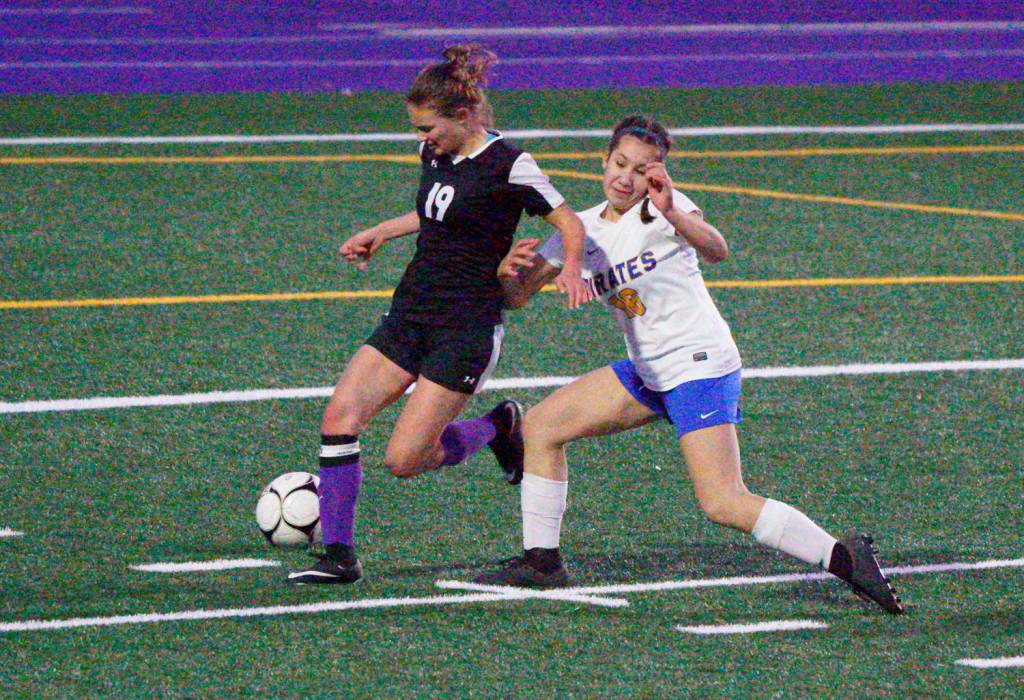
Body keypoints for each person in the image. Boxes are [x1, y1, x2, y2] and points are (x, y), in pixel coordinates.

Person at [476, 115, 903, 614]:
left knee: (722, 501)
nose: (625, 177)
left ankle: (843, 556)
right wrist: (508, 272)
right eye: (619, 163)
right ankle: (541, 560)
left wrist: (673, 211)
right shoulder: (581, 230)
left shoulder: (664, 212)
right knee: (543, 426)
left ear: (656, 174)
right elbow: (517, 296)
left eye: (640, 169)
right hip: (649, 370)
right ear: (604, 160)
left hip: (697, 365)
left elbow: (717, 249)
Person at [287, 44, 592, 585]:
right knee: (339, 419)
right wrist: (381, 230)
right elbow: (437, 211)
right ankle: (339, 555)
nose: (421, 138)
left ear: (464, 115)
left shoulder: (510, 163)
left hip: (466, 327)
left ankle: (499, 427)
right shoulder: (437, 155)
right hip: (410, 312)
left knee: (405, 459)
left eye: (428, 127)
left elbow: (570, 222)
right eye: (416, 128)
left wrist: (567, 268)